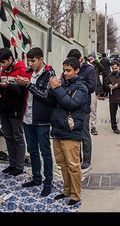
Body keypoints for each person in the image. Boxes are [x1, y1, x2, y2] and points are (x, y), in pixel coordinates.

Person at [14, 47, 55, 197]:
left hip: (42, 120)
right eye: (29, 61)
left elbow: (46, 95)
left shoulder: (49, 73)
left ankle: (48, 182)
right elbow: (24, 94)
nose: (30, 64)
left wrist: (28, 85)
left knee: (45, 151)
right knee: (32, 150)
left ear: (41, 59)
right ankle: (36, 178)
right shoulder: (28, 73)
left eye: (33, 61)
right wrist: (19, 84)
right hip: (27, 118)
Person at [48, 57, 88, 206]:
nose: (65, 73)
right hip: (57, 130)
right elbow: (51, 102)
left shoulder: (82, 88)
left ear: (77, 70)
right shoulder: (62, 84)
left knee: (73, 165)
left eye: (69, 70)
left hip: (71, 132)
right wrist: (52, 88)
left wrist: (57, 89)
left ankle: (76, 195)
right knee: (62, 164)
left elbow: (71, 104)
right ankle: (66, 190)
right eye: (64, 70)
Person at [0, 48, 27, 176]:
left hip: (16, 109)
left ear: (10, 59)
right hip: (4, 108)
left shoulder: (21, 69)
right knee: (8, 137)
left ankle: (20, 166)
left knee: (18, 137)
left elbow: (22, 91)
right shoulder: (1, 71)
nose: (2, 65)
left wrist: (7, 86)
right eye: (0, 63)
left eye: (4, 62)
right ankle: (12, 163)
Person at [66, 49, 96, 172]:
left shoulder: (89, 70)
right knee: (74, 135)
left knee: (84, 134)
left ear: (80, 60)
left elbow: (92, 87)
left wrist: (77, 82)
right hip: (71, 106)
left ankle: (87, 160)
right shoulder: (70, 71)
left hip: (84, 108)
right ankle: (77, 158)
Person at [87, 52, 104, 136]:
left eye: (92, 58)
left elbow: (103, 68)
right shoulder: (85, 67)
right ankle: (85, 126)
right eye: (89, 58)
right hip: (85, 89)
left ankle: (93, 126)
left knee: (93, 108)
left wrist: (96, 62)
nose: (90, 60)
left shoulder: (96, 66)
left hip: (93, 89)